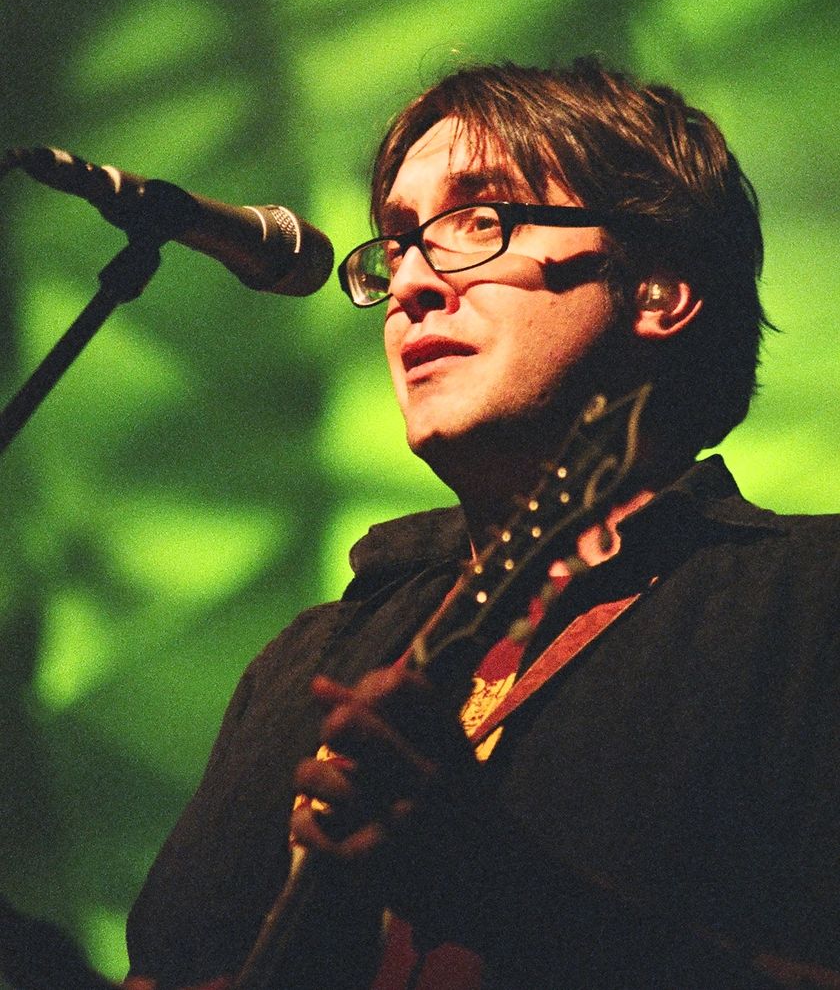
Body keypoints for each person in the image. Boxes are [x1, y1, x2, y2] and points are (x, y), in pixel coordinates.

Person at [122, 59, 840, 990]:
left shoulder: (809, 604)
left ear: (661, 288)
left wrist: (503, 890)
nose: (412, 283)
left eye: (478, 219)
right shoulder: (305, 661)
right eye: (399, 243)